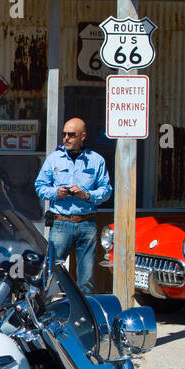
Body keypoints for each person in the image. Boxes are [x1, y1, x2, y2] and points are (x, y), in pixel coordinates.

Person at [34, 117, 112, 292]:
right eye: (64, 134)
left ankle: (86, 316)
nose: (66, 138)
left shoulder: (96, 160)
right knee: (50, 272)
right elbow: (39, 187)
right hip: (61, 222)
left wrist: (86, 194)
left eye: (71, 135)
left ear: (83, 136)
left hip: (87, 223)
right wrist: (56, 192)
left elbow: (106, 191)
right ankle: (43, 310)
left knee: (87, 277)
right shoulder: (54, 159)